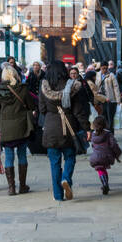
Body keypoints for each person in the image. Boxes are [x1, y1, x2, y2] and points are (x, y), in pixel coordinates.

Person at [39, 60, 81, 200]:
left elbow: (42, 109)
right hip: (68, 127)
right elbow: (78, 110)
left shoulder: (44, 86)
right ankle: (66, 179)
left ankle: (58, 195)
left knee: (54, 162)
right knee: (70, 156)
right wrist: (87, 128)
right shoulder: (72, 86)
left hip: (51, 127)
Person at [0, 64, 34, 195]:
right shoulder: (23, 89)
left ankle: (11, 188)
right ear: (15, 75)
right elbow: (31, 106)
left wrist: (2, 123)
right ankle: (22, 186)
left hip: (6, 126)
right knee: (22, 155)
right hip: (22, 126)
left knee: (9, 157)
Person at [87, 115, 122, 195]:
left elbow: (92, 145)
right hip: (106, 156)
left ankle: (105, 184)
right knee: (103, 169)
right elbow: (114, 145)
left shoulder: (93, 134)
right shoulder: (108, 134)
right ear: (105, 124)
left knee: (100, 170)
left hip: (95, 157)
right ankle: (105, 184)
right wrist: (117, 154)